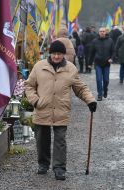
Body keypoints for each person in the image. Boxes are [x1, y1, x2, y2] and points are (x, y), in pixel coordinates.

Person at [25, 40, 97, 181]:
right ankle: (43, 164)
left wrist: (90, 100)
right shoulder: (39, 66)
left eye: (59, 54)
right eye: (54, 53)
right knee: (42, 139)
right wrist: (35, 101)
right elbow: (29, 86)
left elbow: (80, 88)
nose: (57, 56)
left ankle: (59, 168)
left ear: (64, 55)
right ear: (50, 53)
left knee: (60, 140)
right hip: (42, 108)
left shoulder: (71, 69)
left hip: (61, 110)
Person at [89, 27, 114, 101]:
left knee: (106, 80)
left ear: (106, 32)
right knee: (99, 79)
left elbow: (113, 51)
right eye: (100, 31)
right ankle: (99, 94)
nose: (102, 32)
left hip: (107, 63)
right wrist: (89, 63)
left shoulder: (110, 40)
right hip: (98, 64)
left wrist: (111, 58)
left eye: (103, 31)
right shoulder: (95, 41)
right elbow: (92, 53)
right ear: (98, 32)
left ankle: (105, 90)